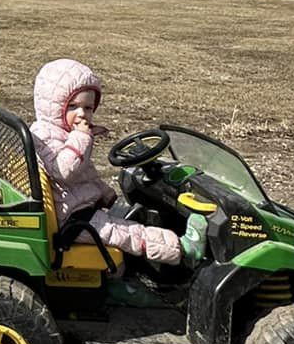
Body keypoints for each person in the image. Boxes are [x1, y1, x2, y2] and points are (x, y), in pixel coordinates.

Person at [30, 57, 184, 266]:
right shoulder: (45, 135)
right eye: (73, 106)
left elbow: (84, 173)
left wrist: (104, 193)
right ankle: (181, 248)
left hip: (77, 207)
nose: (82, 114)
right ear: (54, 107)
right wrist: (82, 137)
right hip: (74, 219)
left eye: (88, 108)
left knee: (126, 219)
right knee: (128, 233)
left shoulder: (63, 134)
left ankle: (122, 275)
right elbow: (64, 171)